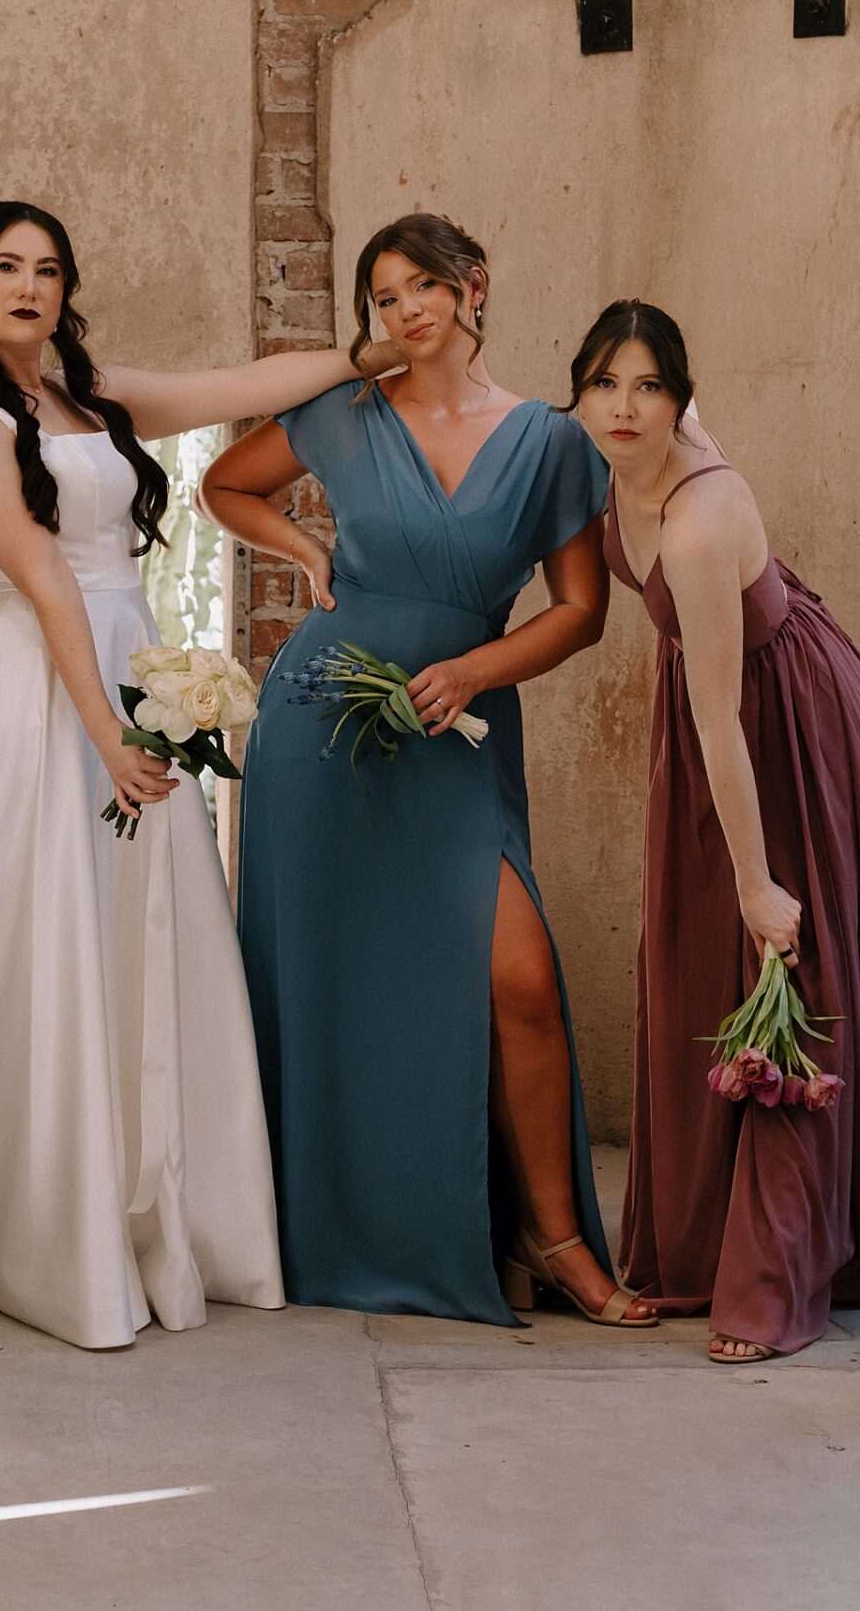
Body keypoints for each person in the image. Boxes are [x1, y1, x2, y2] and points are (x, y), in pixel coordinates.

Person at [0, 201, 402, 1351]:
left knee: (140, 931)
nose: (30, 285)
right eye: (7, 267)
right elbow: (39, 571)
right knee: (44, 933)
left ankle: (160, 1202)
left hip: (131, 676)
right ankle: (37, 1221)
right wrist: (105, 729)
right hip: (38, 691)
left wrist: (368, 353)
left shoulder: (99, 397)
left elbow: (242, 385)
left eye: (49, 268)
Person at [202, 212, 654, 1330]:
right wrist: (308, 550)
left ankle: (551, 1240)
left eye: (422, 289)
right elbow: (224, 484)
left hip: (456, 733)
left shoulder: (552, 441)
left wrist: (476, 666)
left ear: (473, 289)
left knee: (520, 982)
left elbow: (583, 611)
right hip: (322, 729)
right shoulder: (340, 412)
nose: (404, 312)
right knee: (328, 989)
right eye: (384, 298)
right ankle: (327, 1227)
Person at [571, 299, 860, 1360]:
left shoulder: (701, 516)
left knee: (776, 962)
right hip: (718, 711)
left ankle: (773, 1283)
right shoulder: (605, 465)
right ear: (576, 391)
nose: (627, 408)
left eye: (652, 388)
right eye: (606, 384)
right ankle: (698, 1240)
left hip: (782, 717)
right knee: (696, 958)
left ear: (684, 398)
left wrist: (760, 885)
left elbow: (722, 717)